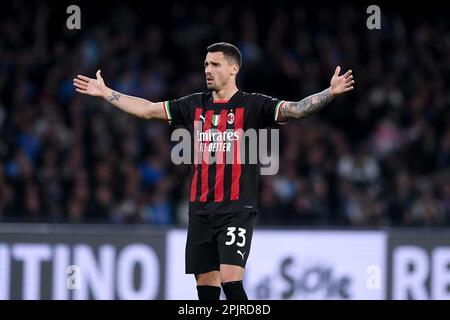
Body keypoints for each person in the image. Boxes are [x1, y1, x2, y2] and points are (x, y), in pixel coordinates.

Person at [73, 42, 355, 300]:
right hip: (200, 210)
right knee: (206, 291)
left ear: (234, 70)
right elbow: (147, 109)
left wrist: (329, 93)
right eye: (206, 64)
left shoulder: (254, 105)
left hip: (236, 208)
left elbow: (295, 109)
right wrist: (106, 92)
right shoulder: (193, 104)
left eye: (215, 65)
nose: (208, 70)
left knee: (231, 283)